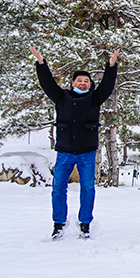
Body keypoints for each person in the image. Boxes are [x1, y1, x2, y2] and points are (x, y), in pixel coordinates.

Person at [30, 45, 119, 240]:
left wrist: (111, 66)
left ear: (90, 84)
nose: (83, 83)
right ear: (72, 83)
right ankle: (58, 223)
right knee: (58, 189)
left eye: (86, 81)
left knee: (87, 188)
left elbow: (107, 85)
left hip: (87, 152)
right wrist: (40, 62)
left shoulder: (95, 98)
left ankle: (85, 223)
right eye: (79, 80)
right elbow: (47, 83)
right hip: (64, 152)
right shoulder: (62, 97)